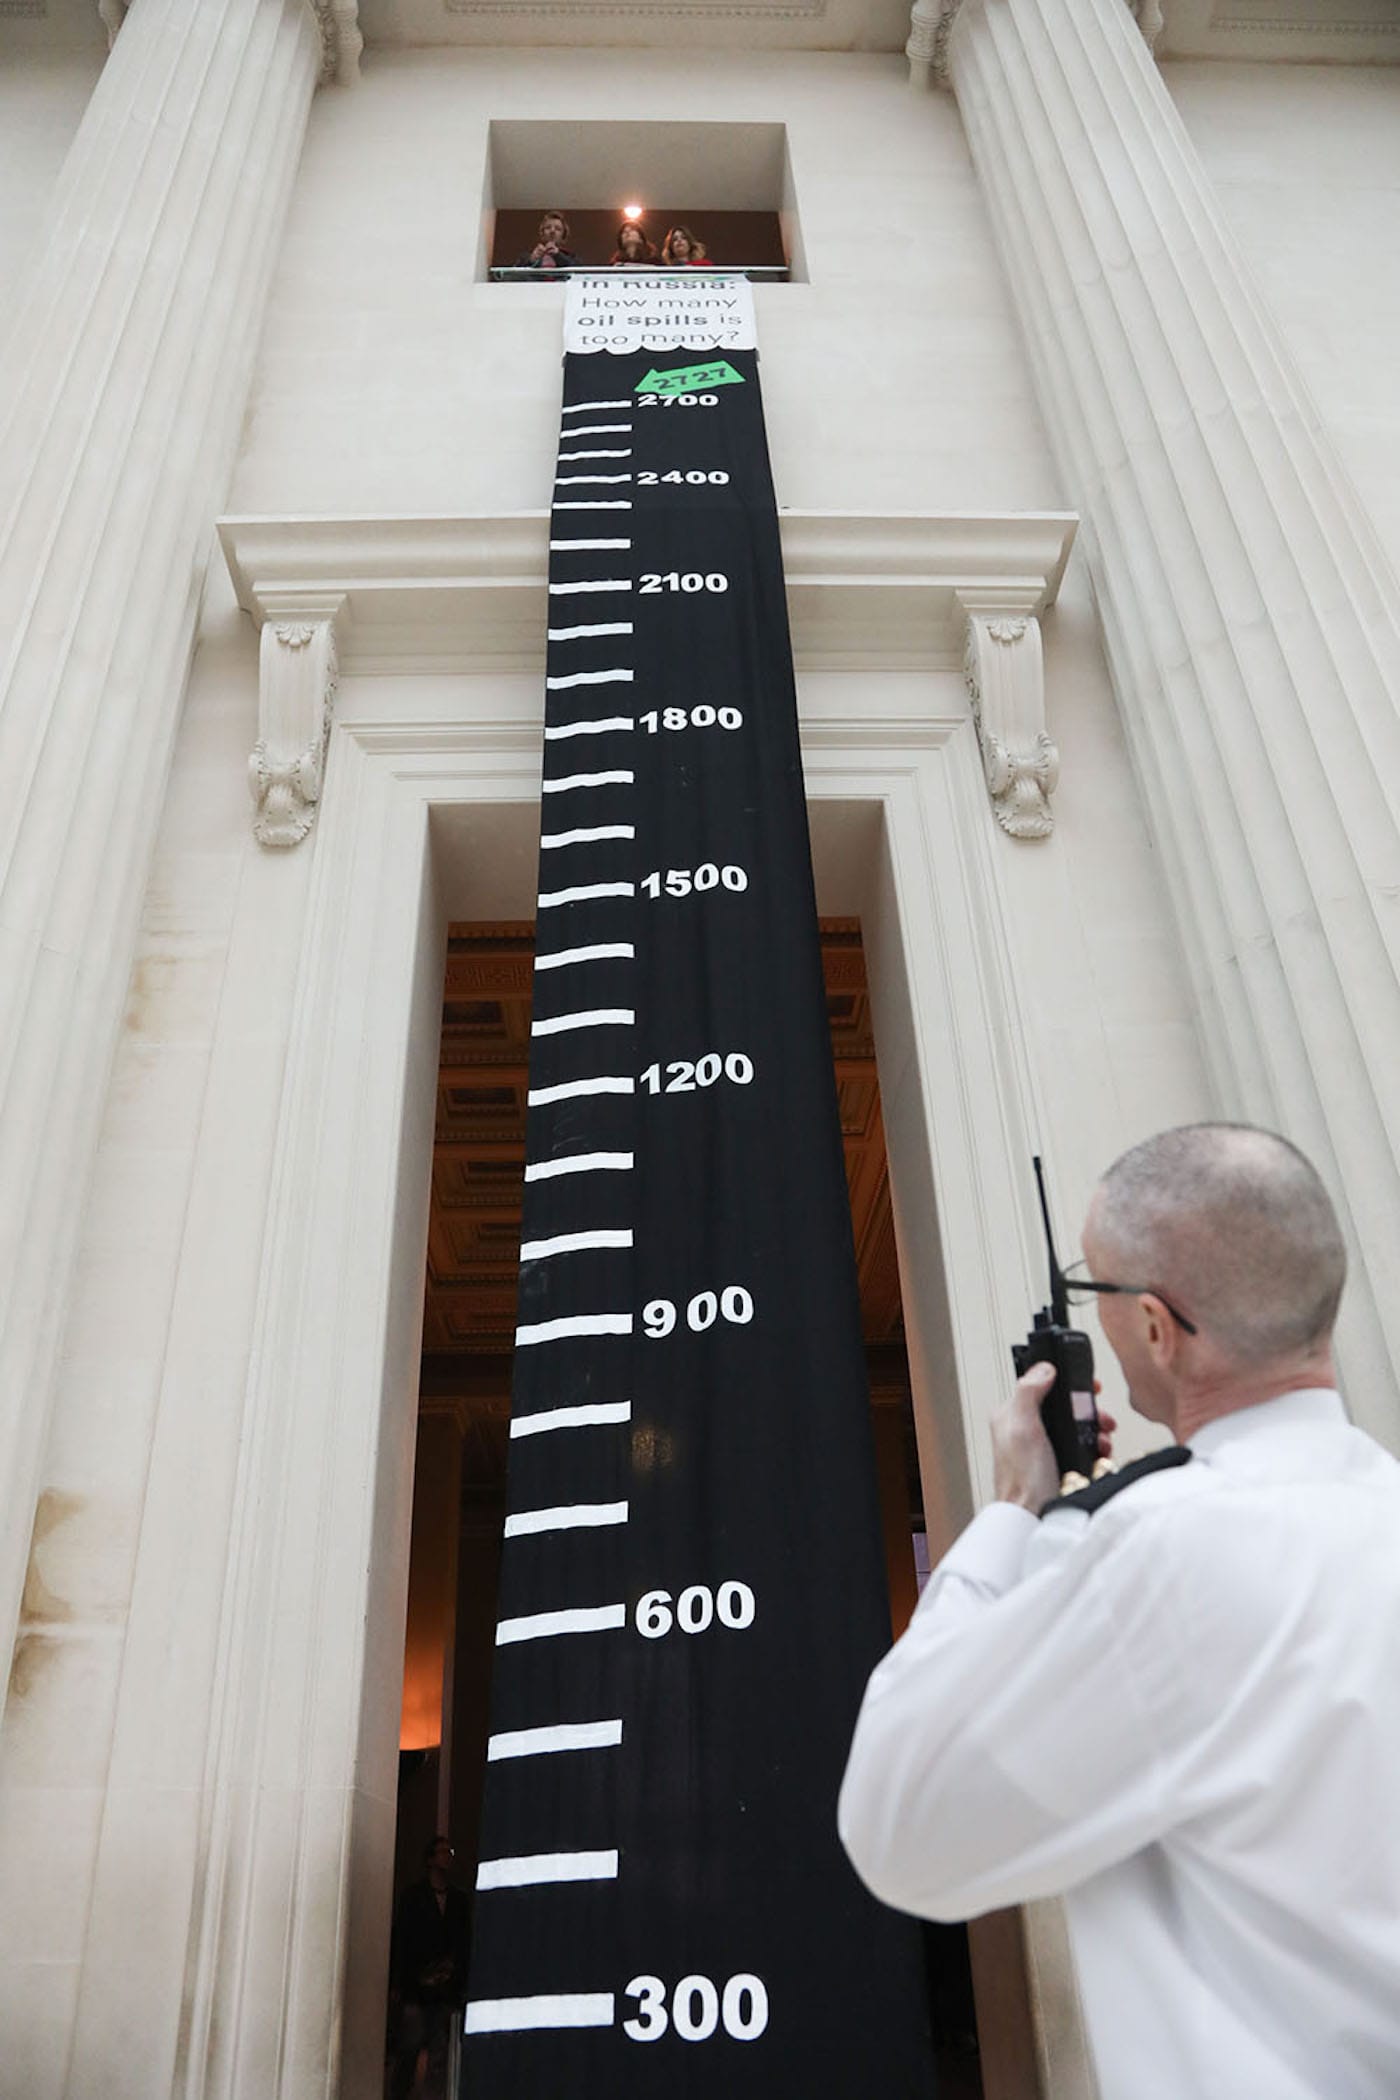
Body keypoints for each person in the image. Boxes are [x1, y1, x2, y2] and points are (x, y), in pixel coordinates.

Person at [839, 1123, 1400, 2100]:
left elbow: (898, 1823)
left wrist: (1016, 1514)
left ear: (1152, 1327)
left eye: (1096, 1294)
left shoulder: (1161, 1549)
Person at [388, 1835, 471, 2099]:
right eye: (443, 1852)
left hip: (445, 1988)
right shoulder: (414, 1897)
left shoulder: (458, 1900)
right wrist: (399, 1982)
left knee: (440, 2051)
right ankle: (399, 2093)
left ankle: (433, 2096)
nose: (448, 1857)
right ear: (430, 1859)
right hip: (417, 1984)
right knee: (410, 2046)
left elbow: (464, 1940)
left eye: (451, 1851)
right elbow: (403, 1938)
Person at [514, 209, 582, 274]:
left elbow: (579, 271)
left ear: (563, 235)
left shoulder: (571, 257)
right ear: (542, 233)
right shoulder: (527, 256)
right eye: (548, 227)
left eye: (558, 229)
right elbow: (513, 275)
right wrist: (531, 260)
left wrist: (558, 255)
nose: (552, 231)